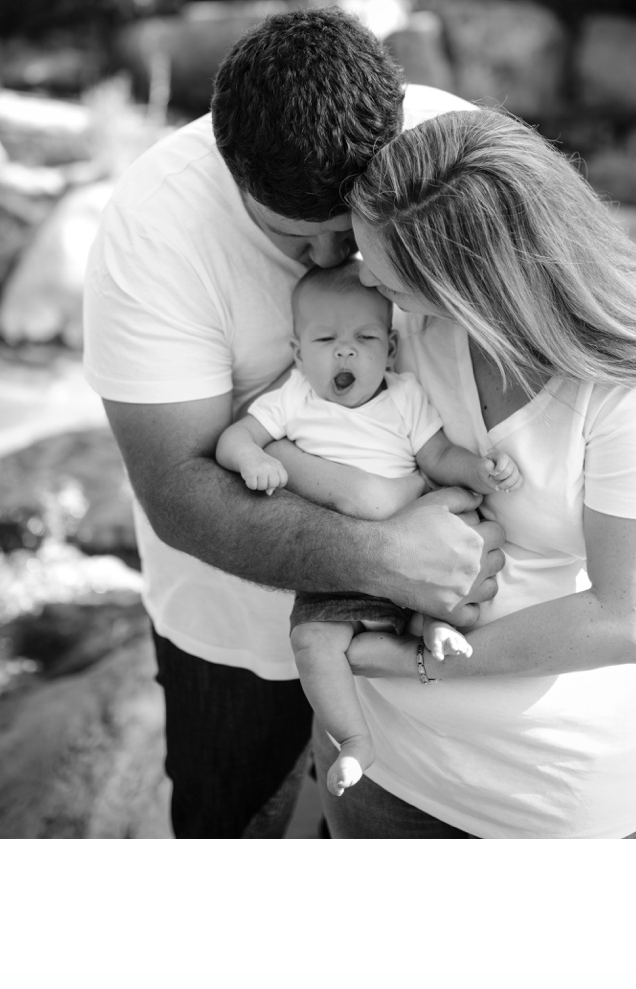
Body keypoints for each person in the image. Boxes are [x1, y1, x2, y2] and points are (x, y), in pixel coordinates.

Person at [82, 7, 502, 837]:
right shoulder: (154, 227)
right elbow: (176, 489)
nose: (329, 262)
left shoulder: (454, 155)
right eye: (291, 237)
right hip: (236, 646)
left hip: (453, 612)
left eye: (347, 231)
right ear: (233, 173)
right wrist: (380, 551)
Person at [276, 105, 636, 837]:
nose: (368, 292)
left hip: (547, 806)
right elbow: (350, 441)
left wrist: (408, 660)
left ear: (471, 284)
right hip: (379, 771)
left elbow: (628, 622)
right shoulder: (421, 329)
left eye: (388, 283)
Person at [215, 262, 520, 798]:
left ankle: (434, 626)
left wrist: (479, 470)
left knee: (453, 539)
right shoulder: (293, 398)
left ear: (392, 351)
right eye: (327, 339)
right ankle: (354, 739)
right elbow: (232, 439)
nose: (346, 352)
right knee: (310, 641)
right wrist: (250, 460)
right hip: (337, 567)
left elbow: (439, 454)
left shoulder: (404, 397)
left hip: (416, 554)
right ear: (298, 352)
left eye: (365, 338)